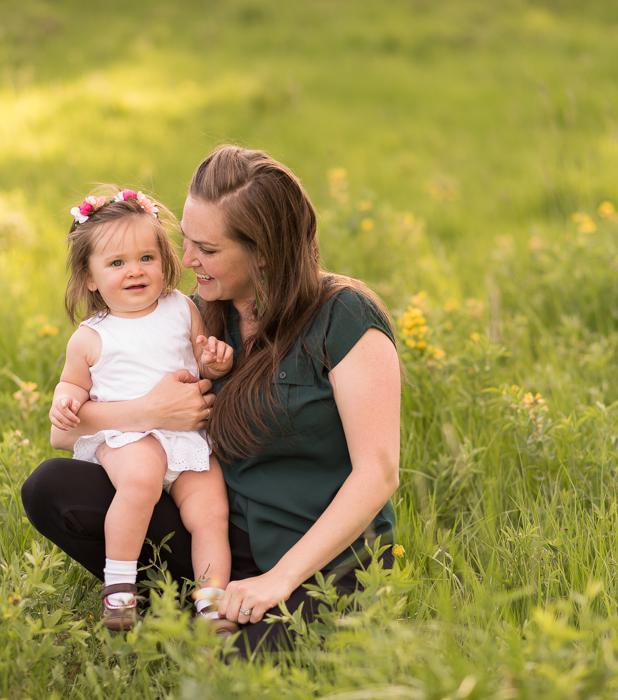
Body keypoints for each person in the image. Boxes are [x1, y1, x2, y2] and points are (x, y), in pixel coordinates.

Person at [21, 146, 401, 655]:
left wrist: (279, 580)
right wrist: (147, 412)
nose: (188, 261)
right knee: (53, 487)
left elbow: (378, 473)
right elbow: (64, 433)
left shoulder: (344, 317)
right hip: (221, 537)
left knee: (243, 673)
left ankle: (222, 620)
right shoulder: (196, 314)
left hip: (317, 558)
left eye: (208, 249)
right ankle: (201, 607)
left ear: (264, 251)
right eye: (186, 243)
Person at [47, 185, 236, 633]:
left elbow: (201, 354)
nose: (134, 271)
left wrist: (213, 360)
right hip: (129, 438)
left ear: (164, 261)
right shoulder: (92, 336)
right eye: (116, 263)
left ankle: (212, 604)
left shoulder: (181, 307)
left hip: (187, 438)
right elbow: (71, 385)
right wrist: (65, 400)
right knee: (141, 479)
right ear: (90, 277)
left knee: (211, 511)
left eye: (146, 258)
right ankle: (119, 590)